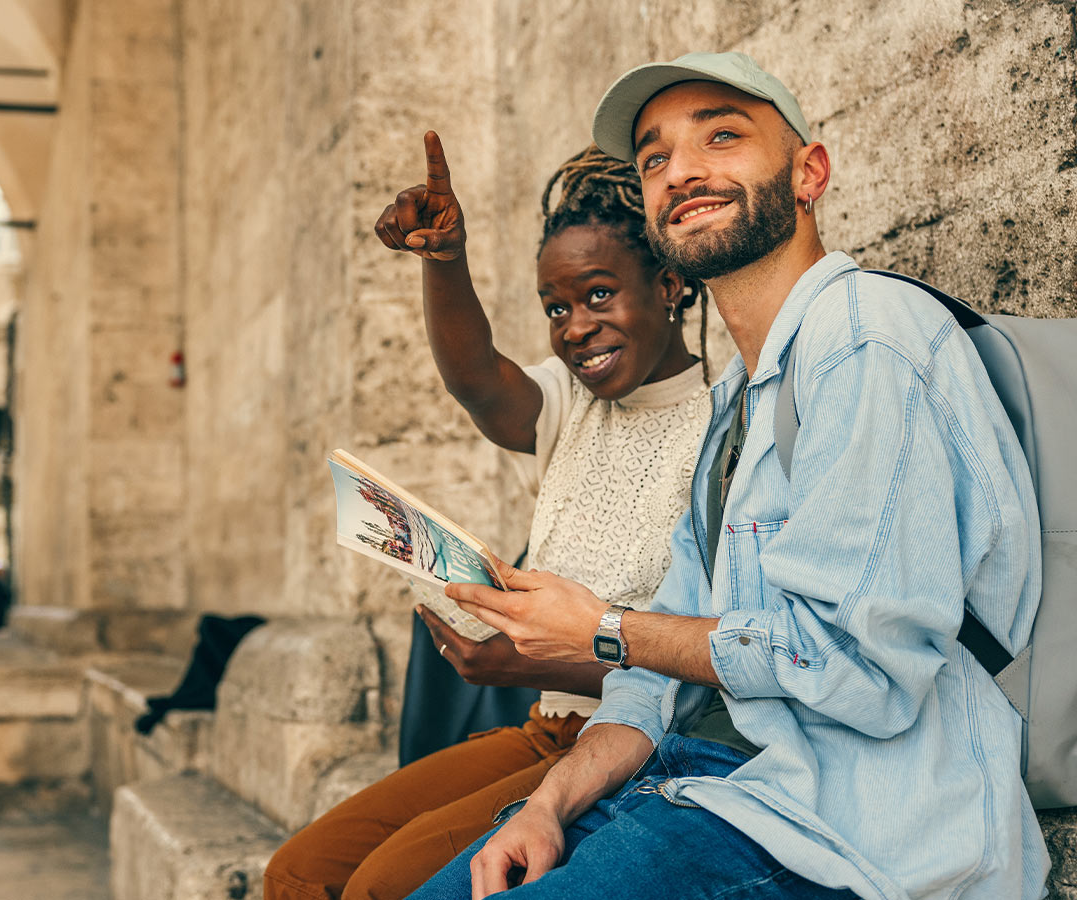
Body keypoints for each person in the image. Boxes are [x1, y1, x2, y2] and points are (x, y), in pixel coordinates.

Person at [407, 52, 1044, 900]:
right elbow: (651, 678)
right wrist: (548, 805)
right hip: (706, 789)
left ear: (809, 173)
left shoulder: (865, 341)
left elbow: (854, 665)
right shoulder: (740, 399)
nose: (681, 171)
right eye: (655, 158)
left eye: (722, 137)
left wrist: (603, 626)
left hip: (848, 833)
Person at [264, 138, 714, 900]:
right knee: (299, 872)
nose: (575, 327)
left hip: (632, 748)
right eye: (556, 308)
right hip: (542, 728)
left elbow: (698, 669)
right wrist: (446, 260)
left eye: (599, 295)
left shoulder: (720, 428)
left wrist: (528, 661)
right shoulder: (571, 403)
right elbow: (476, 378)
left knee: (379, 886)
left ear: (669, 285)